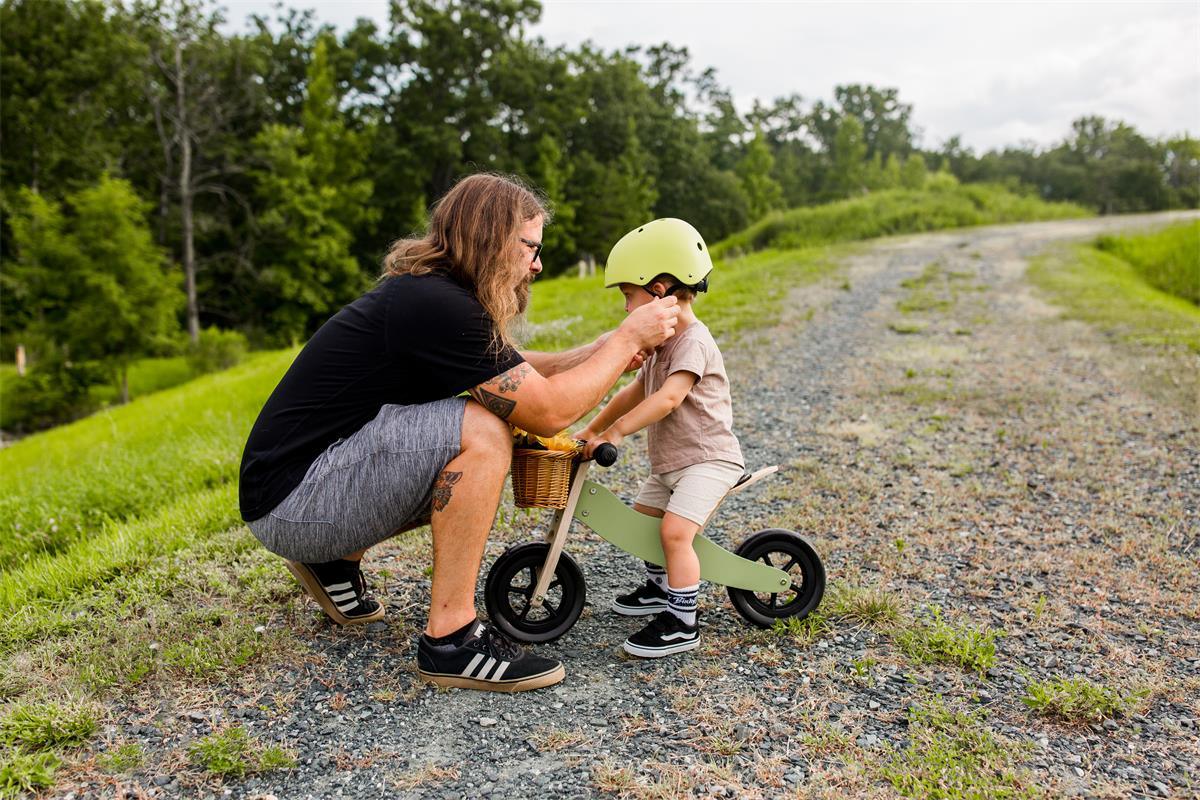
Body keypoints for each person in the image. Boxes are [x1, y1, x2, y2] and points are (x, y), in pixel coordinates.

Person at [238, 174, 680, 692]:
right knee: (486, 429)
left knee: (475, 419)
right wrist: (626, 336)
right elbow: (547, 411)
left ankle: (334, 564)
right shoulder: (438, 306)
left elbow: (513, 369)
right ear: (492, 238)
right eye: (531, 248)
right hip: (297, 502)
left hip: (292, 496)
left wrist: (601, 350)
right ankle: (451, 640)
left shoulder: (432, 296)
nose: (537, 264)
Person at [579, 218, 744, 658]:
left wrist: (615, 432)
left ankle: (682, 621)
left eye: (628, 297)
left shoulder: (692, 341)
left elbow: (669, 398)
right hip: (674, 464)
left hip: (709, 460)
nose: (626, 309)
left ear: (661, 288)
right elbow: (635, 391)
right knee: (642, 522)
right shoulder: (660, 343)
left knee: (673, 533)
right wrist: (594, 428)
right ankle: (658, 590)